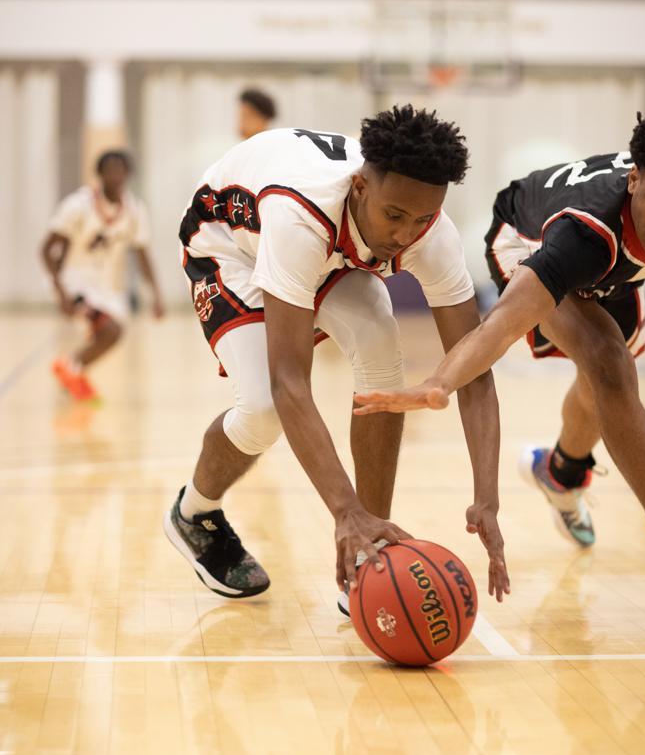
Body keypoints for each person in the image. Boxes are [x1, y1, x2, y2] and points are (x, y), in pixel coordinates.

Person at [163, 105, 510, 607]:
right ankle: (194, 514)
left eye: (422, 218)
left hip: (324, 252)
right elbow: (290, 382)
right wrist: (342, 509)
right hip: (228, 244)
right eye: (395, 216)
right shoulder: (300, 214)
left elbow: (475, 372)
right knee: (262, 407)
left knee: (376, 335)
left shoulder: (433, 234)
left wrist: (487, 496)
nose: (405, 235)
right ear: (361, 188)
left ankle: (368, 553)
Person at [354, 99, 645, 623]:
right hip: (523, 237)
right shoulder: (583, 235)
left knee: (605, 385)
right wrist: (439, 383)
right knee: (609, 364)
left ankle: (562, 471)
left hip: (621, 264)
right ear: (634, 180)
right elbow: (503, 324)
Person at [42, 149, 165, 401]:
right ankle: (71, 365)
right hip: (72, 283)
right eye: (110, 170)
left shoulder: (133, 210)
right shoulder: (78, 205)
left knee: (112, 334)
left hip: (103, 287)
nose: (115, 175)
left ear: (128, 174)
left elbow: (143, 255)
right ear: (99, 174)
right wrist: (61, 291)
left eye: (120, 169)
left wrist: (156, 294)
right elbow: (46, 250)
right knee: (110, 330)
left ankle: (72, 369)